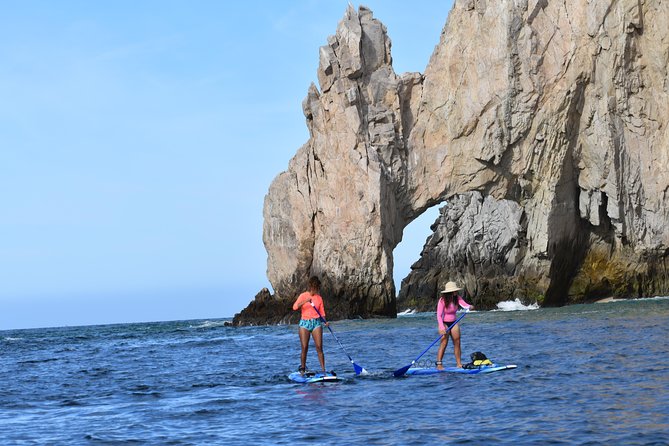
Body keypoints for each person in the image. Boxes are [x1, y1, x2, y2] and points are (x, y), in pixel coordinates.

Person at [292, 276, 328, 374]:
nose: (315, 290)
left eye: (317, 288)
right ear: (311, 286)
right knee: (304, 347)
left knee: (319, 347)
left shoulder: (319, 298)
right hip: (305, 323)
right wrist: (305, 301)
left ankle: (323, 370)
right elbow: (294, 307)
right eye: (314, 288)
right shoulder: (303, 295)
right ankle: (303, 368)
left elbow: (322, 312)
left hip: (316, 323)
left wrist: (325, 321)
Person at [436, 281, 474, 369]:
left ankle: (459, 364)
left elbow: (465, 305)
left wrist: (470, 307)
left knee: (457, 342)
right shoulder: (442, 301)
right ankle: (439, 364)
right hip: (444, 323)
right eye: (455, 290)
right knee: (444, 342)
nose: (456, 292)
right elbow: (438, 315)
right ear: (451, 292)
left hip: (454, 322)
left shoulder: (457, 298)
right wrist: (441, 327)